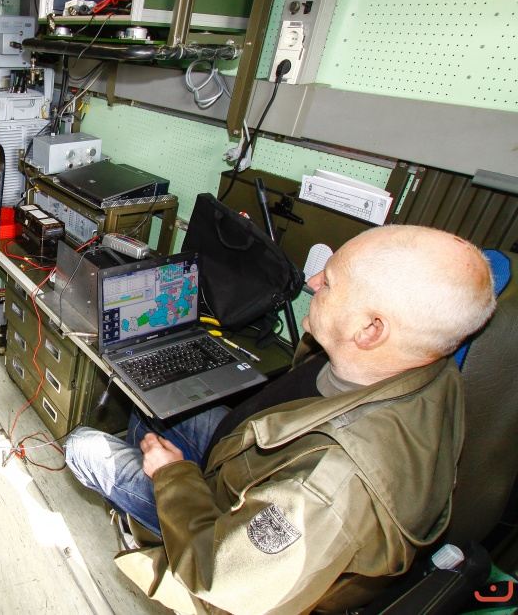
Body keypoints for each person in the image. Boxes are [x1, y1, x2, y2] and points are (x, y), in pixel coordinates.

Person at [65, 225, 497, 614]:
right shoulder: (429, 365)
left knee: (82, 446)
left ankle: (151, 527)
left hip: (219, 532)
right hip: (244, 463)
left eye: (329, 282)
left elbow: (219, 579)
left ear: (370, 330)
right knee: (150, 408)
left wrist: (171, 476)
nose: (312, 281)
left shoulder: (328, 491)